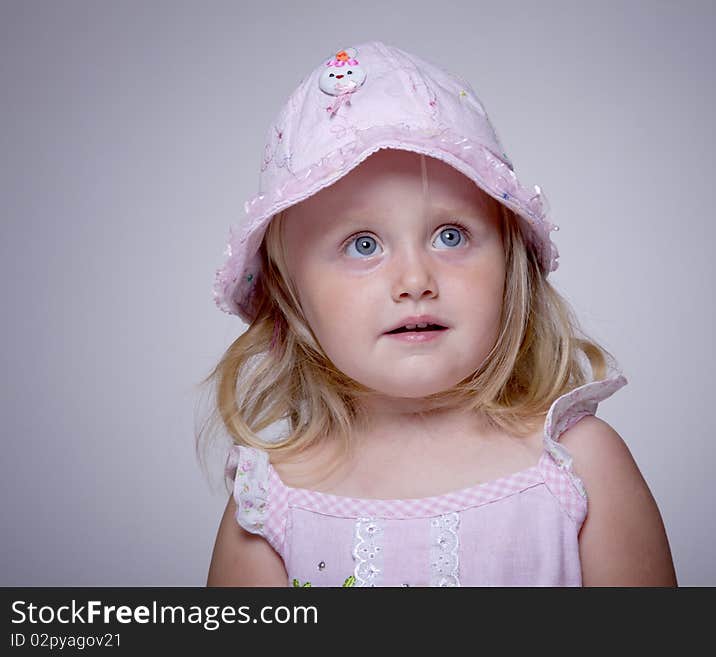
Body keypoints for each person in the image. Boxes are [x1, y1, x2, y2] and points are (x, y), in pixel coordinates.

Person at [201, 41, 676, 587]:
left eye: (451, 236)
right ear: (291, 293)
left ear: (510, 264)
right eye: (362, 244)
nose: (415, 282)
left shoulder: (579, 466)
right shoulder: (273, 502)